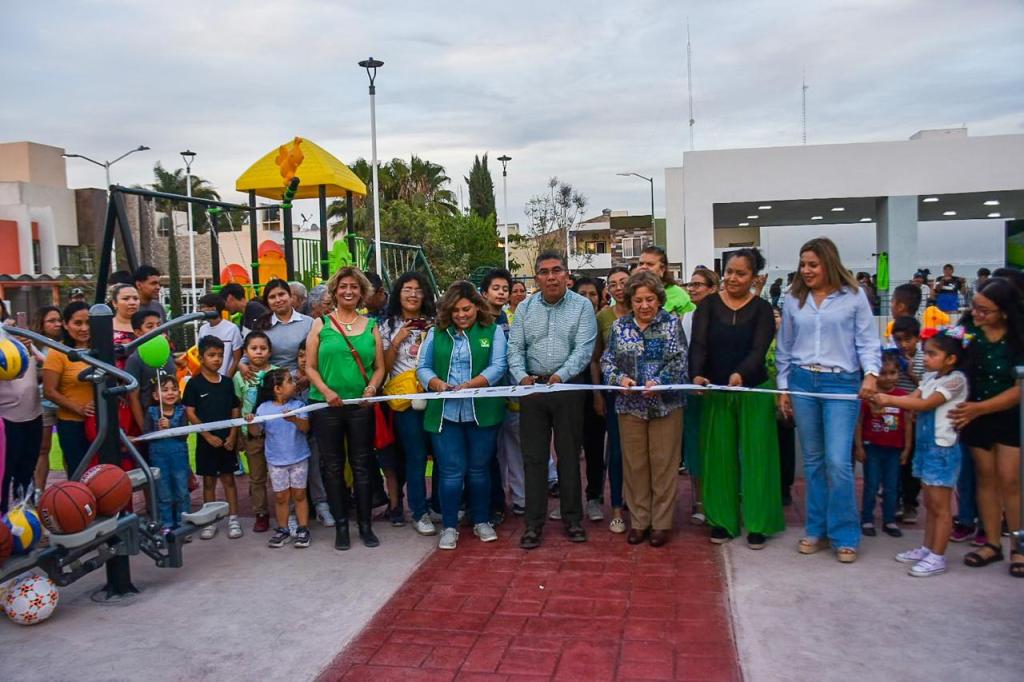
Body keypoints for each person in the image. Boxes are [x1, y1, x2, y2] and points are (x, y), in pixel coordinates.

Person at [776, 237, 881, 564]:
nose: (806, 270)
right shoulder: (793, 300)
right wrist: (784, 386)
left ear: (829, 264)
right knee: (814, 461)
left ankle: (845, 533)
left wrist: (871, 374)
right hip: (803, 380)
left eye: (813, 264)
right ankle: (816, 529)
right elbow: (785, 345)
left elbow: (867, 340)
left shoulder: (853, 297)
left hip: (841, 383)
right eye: (803, 264)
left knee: (839, 461)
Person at [689, 248, 784, 549]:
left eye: (740, 273)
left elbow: (759, 351)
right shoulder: (708, 306)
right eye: (729, 271)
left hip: (753, 388)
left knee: (758, 456)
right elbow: (698, 345)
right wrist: (696, 375)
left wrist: (741, 374)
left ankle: (757, 523)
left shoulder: (763, 309)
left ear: (754, 278)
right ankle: (721, 520)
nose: (732, 278)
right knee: (718, 456)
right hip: (717, 391)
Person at [509, 251, 597, 549]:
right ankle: (533, 525)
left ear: (566, 274)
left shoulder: (582, 307)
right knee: (533, 458)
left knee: (569, 456)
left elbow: (583, 350)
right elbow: (514, 349)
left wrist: (561, 376)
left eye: (556, 270)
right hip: (532, 389)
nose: (551, 277)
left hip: (568, 389)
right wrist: (522, 377)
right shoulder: (524, 309)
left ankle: (573, 520)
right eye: (544, 272)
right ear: (536, 278)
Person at [416, 281, 507, 550]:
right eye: (455, 310)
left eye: (467, 309)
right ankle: (449, 526)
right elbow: (422, 367)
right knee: (451, 473)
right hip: (445, 414)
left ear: (478, 307)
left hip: (483, 412)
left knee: (479, 471)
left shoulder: (493, 331)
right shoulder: (436, 333)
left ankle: (481, 521)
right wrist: (436, 384)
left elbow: (498, 366)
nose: (461, 315)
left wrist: (471, 385)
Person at [601, 270, 687, 546]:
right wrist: (619, 379)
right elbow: (607, 361)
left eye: (650, 299)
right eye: (638, 300)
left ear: (659, 299)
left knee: (663, 464)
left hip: (666, 406)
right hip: (630, 406)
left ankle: (661, 523)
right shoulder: (619, 327)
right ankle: (639, 521)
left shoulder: (672, 324)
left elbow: (679, 360)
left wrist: (659, 382)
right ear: (631, 301)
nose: (645, 305)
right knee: (635, 466)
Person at [876, 329, 969, 577]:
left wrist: (887, 399)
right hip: (926, 448)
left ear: (951, 359)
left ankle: (938, 556)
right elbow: (911, 397)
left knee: (941, 507)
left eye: (932, 354)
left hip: (943, 450)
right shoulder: (929, 378)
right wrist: (881, 397)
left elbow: (924, 404)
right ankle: (927, 548)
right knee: (930, 503)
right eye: (926, 353)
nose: (925, 358)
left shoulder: (956, 381)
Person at [306, 266, 386, 550]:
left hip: (359, 406)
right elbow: (310, 367)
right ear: (335, 291)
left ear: (361, 292)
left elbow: (379, 367)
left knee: (363, 465)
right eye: (343, 287)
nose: (348, 291)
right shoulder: (321, 325)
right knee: (333, 467)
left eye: (354, 286)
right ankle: (342, 526)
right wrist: (326, 392)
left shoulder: (372, 326)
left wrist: (372, 388)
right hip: (326, 406)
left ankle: (364, 525)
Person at [950, 277, 1023, 577]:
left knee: (1010, 481)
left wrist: (980, 408)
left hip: (1008, 416)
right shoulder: (967, 332)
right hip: (974, 416)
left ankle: (1018, 546)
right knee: (986, 479)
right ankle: (991, 542)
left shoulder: (1018, 340)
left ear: (1004, 312)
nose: (977, 314)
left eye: (985, 311)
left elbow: (1019, 389)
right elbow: (942, 345)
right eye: (975, 308)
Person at [380, 271, 437, 534]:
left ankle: (437, 504)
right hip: (405, 401)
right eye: (407, 289)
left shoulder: (437, 323)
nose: (413, 294)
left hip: (436, 396)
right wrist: (398, 340)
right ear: (398, 294)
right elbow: (383, 367)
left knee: (442, 455)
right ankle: (419, 512)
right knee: (415, 457)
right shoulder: (387, 326)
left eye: (418, 289)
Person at [183, 335, 242, 541]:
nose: (217, 359)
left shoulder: (227, 382)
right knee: (209, 482)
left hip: (227, 442)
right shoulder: (194, 384)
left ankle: (234, 519)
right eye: (211, 355)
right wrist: (207, 436)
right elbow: (190, 412)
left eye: (220, 355)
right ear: (201, 358)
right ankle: (210, 521)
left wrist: (233, 435)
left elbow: (235, 408)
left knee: (229, 480)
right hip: (206, 443)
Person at [248, 369, 312, 549]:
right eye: (290, 381)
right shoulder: (263, 408)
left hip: (298, 457)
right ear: (277, 388)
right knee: (281, 497)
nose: (294, 384)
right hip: (276, 461)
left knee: (299, 494)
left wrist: (294, 420)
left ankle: (303, 529)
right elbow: (256, 432)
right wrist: (251, 421)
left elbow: (306, 427)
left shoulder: (299, 405)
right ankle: (283, 529)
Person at [856, 352, 911, 538]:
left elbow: (908, 422)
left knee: (891, 486)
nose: (889, 377)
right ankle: (867, 519)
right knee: (871, 485)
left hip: (894, 448)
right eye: (884, 373)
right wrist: (859, 446)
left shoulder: (902, 396)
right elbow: (859, 421)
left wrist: (907, 447)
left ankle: (889, 520)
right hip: (872, 447)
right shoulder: (869, 395)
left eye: (893, 372)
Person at [681, 267, 720, 521]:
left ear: (713, 288)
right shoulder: (687, 317)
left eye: (699, 284)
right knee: (695, 446)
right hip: (692, 390)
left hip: (718, 389)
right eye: (691, 284)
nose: (693, 289)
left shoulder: (724, 316)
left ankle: (722, 498)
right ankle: (700, 500)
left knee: (719, 446)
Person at [594, 266, 631, 533]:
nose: (618, 287)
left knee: (641, 454)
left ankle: (640, 503)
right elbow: (597, 359)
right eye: (613, 283)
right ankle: (616, 507)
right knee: (616, 452)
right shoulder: (603, 317)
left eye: (623, 282)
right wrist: (598, 393)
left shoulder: (644, 310)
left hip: (646, 393)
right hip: (614, 392)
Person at [480, 268, 515, 525]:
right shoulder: (477, 319)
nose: (501, 293)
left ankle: (498, 503)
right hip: (481, 390)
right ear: (484, 293)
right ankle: (483, 505)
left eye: (505, 289)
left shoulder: (505, 317)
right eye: (496, 288)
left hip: (504, 391)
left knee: (503, 451)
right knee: (486, 454)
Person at [42, 302, 93, 477]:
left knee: (103, 474)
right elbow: (49, 391)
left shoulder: (100, 349)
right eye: (78, 323)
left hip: (99, 423)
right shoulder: (58, 352)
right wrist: (79, 408)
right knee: (79, 472)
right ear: (65, 324)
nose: (84, 328)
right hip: (72, 424)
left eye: (88, 322)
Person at [233, 331, 275, 533]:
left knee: (280, 473)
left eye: (263, 348)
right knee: (257, 476)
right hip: (251, 435)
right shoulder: (240, 376)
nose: (258, 352)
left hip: (276, 434)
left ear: (270, 351)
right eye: (254, 348)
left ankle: (289, 511)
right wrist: (238, 433)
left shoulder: (277, 373)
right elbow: (238, 404)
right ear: (246, 352)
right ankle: (261, 513)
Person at [0, 318, 43, 513]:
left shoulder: (20, 336)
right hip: (7, 417)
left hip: (33, 414)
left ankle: (25, 514)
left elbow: (45, 361)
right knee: (5, 473)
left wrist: (26, 345)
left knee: (27, 468)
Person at [573, 276, 607, 522]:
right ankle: (570, 500)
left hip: (598, 391)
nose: (587, 299)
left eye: (592, 294)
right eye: (582, 294)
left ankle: (594, 498)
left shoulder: (604, 321)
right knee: (569, 450)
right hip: (570, 393)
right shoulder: (568, 322)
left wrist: (598, 395)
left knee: (595, 449)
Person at [144, 375, 190, 532]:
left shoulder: (181, 411)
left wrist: (171, 426)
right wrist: (157, 428)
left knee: (182, 491)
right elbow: (147, 435)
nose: (170, 393)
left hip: (178, 457)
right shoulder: (151, 412)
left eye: (174, 389)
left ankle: (184, 523)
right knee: (163, 492)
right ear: (156, 396)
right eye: (165, 390)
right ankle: (167, 524)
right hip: (159, 457)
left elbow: (184, 435)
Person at [891, 316, 924, 522]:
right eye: (898, 340)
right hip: (894, 417)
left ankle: (910, 503)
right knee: (894, 460)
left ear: (917, 339)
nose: (903, 345)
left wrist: (912, 374)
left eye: (907, 340)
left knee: (911, 462)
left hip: (914, 418)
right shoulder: (892, 357)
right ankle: (893, 501)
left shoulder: (924, 359)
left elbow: (928, 386)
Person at [125, 309, 177, 431]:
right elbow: (133, 398)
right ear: (138, 332)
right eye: (150, 326)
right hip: (151, 420)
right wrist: (145, 429)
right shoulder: (135, 359)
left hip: (173, 419)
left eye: (159, 325)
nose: (157, 329)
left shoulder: (167, 353)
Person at [32, 305, 63, 491]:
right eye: (52, 321)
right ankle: (39, 490)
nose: (57, 324)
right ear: (41, 324)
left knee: (69, 447)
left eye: (59, 320)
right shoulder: (33, 345)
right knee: (43, 448)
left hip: (64, 401)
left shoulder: (66, 344)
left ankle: (73, 489)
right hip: (43, 401)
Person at [256, 279, 313, 372]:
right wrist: (242, 365)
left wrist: (307, 377)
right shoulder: (261, 324)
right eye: (272, 297)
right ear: (267, 302)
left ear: (290, 296)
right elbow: (249, 353)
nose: (278, 300)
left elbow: (318, 355)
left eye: (281, 294)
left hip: (302, 378)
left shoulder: (309, 323)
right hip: (270, 379)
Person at [637, 245, 694, 317]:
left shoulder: (678, 294)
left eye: (650, 264)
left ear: (662, 269)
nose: (643, 267)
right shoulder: (630, 291)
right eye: (641, 264)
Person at [196, 293, 243, 377]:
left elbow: (237, 359)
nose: (200, 310)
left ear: (213, 308)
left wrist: (227, 379)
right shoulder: (202, 329)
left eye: (203, 306)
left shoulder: (232, 329)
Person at [109, 283, 140, 350]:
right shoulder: (106, 326)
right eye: (126, 299)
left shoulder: (149, 325)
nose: (132, 302)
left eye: (136, 298)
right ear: (114, 303)